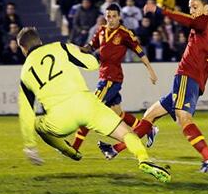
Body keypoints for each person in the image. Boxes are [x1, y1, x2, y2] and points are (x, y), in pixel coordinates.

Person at [100, 0, 208, 173]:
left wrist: (161, 11)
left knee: (183, 119)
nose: (192, 11)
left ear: (206, 8)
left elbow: (187, 21)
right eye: (190, 7)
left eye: (195, 7)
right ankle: (115, 149)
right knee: (150, 115)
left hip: (187, 77)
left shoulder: (204, 22)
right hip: (194, 82)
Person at [17, 27, 171, 183]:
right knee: (126, 134)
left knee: (37, 124)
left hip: (60, 119)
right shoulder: (60, 47)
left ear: (23, 48)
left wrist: (30, 145)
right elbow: (92, 64)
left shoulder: (24, 73)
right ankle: (143, 159)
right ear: (40, 41)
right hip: (87, 105)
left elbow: (26, 112)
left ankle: (69, 151)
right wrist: (78, 50)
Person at [71, 4, 158, 152]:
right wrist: (76, 49)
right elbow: (89, 48)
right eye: (108, 16)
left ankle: (75, 147)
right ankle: (148, 129)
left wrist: (151, 71)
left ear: (119, 17)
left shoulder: (124, 33)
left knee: (90, 110)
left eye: (113, 16)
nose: (110, 19)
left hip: (111, 79)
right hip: (104, 76)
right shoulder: (101, 30)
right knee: (118, 113)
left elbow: (140, 52)